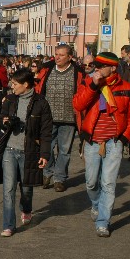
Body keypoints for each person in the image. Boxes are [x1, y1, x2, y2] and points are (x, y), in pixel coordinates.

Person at [73, 52, 130, 237]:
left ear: (113, 68)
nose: (96, 68)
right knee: (91, 182)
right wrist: (93, 86)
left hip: (114, 142)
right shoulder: (88, 83)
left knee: (109, 184)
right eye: (95, 65)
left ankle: (103, 222)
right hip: (92, 141)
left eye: (101, 66)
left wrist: (125, 137)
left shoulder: (127, 88)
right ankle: (96, 204)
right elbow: (78, 105)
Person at [0, 69, 52, 237]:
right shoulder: (10, 99)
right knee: (8, 189)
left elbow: (46, 131)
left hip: (29, 151)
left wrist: (44, 154)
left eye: (15, 84)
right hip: (9, 150)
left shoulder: (41, 103)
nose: (12, 86)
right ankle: (8, 225)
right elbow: (1, 118)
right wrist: (5, 121)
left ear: (26, 84)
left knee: (26, 189)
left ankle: (26, 209)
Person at [35, 44, 84, 192]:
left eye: (61, 55)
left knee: (64, 151)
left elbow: (82, 94)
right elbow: (38, 90)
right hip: (48, 118)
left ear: (70, 57)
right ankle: (47, 173)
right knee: (47, 148)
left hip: (69, 119)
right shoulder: (47, 71)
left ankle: (59, 178)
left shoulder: (78, 73)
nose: (57, 57)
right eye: (56, 54)